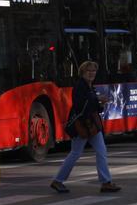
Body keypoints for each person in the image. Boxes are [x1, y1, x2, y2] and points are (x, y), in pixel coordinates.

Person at [51, 61, 121, 194]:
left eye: (94, 71)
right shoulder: (80, 86)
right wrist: (97, 99)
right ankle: (58, 180)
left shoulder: (89, 86)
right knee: (75, 153)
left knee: (101, 152)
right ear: (82, 73)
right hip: (82, 126)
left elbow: (92, 105)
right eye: (88, 71)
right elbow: (80, 105)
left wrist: (100, 103)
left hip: (92, 125)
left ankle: (106, 182)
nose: (91, 74)